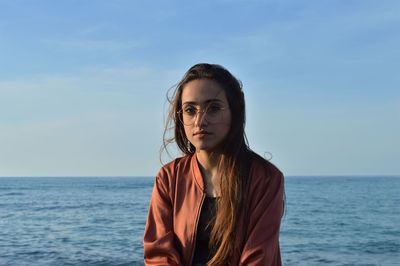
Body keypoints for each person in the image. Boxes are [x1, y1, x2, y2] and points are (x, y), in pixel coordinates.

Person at [143, 63, 284, 266]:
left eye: (214, 108)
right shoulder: (170, 177)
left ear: (234, 112)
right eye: (190, 110)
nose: (200, 121)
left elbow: (258, 258)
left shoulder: (265, 178)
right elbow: (158, 255)